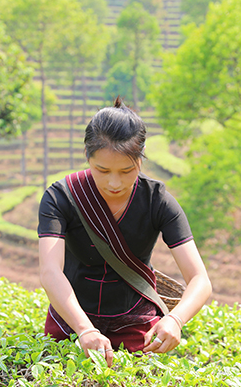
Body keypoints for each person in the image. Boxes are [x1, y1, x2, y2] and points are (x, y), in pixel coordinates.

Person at [37, 98, 212, 367]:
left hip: (135, 322)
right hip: (71, 319)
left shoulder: (157, 201)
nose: (114, 183)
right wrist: (85, 330)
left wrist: (175, 319)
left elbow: (200, 279)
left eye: (126, 170)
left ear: (140, 160)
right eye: (102, 170)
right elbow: (50, 271)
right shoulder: (61, 197)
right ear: (87, 157)